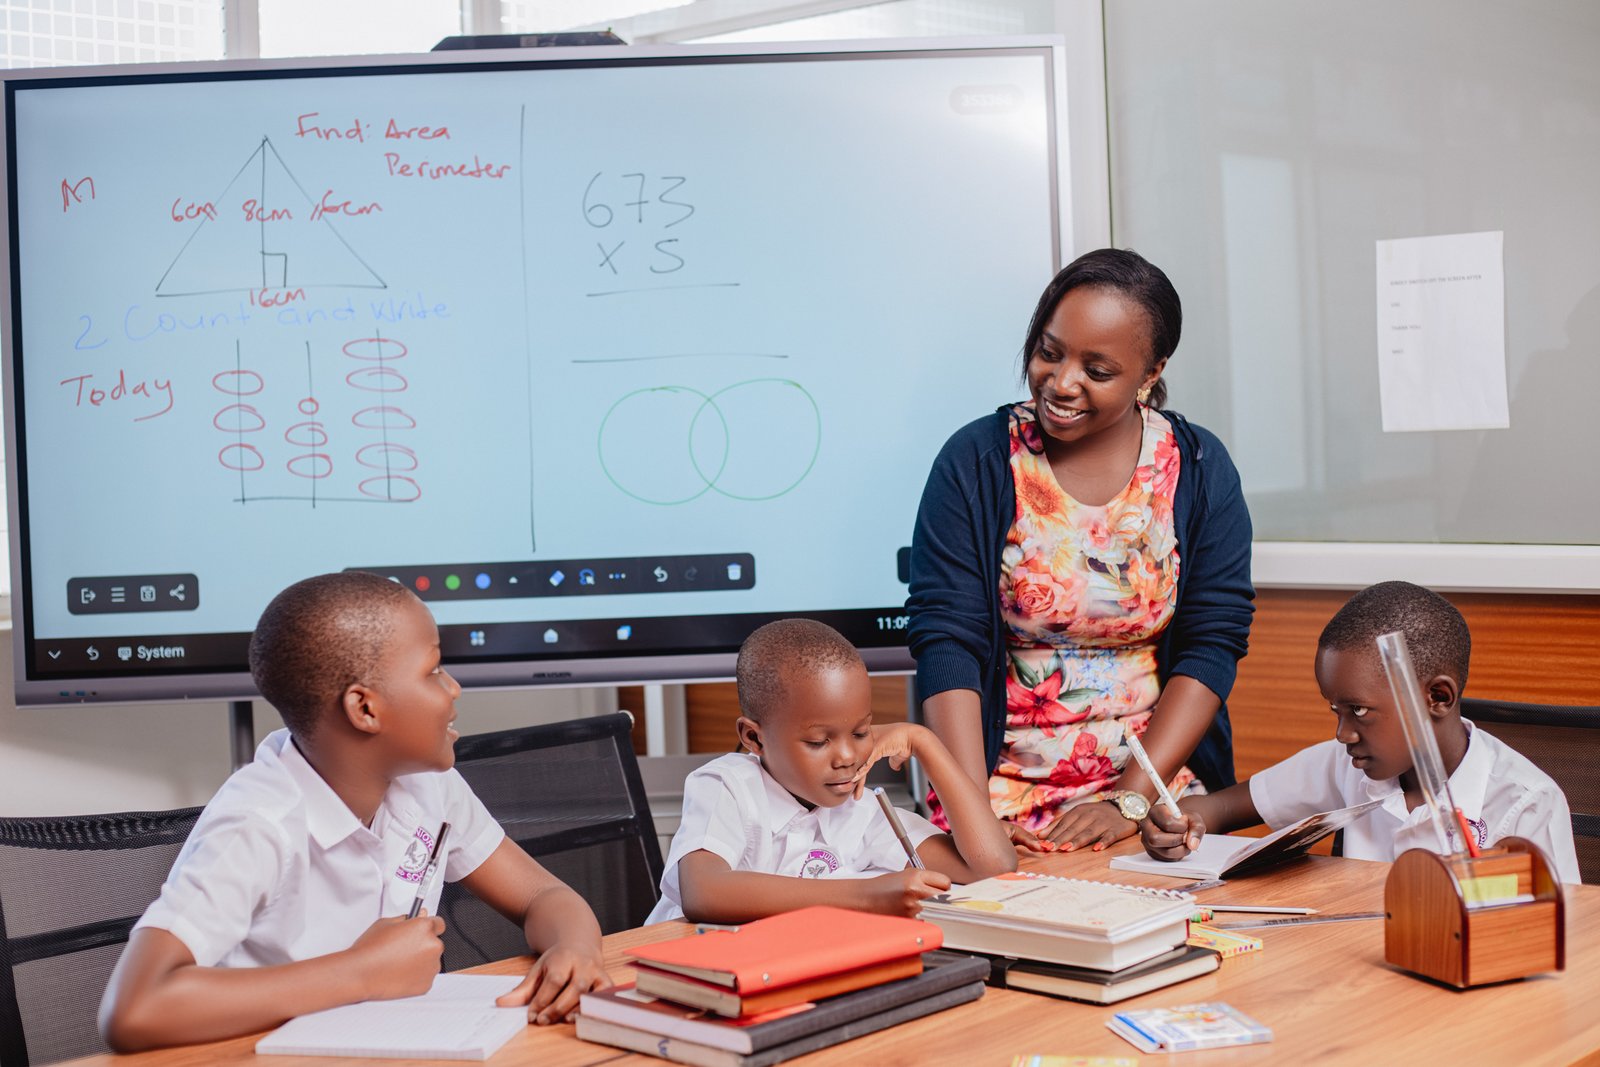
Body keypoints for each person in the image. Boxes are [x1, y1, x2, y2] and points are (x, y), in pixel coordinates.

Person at [98, 572, 611, 1052]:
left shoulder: (431, 786)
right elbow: (134, 1008)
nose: (453, 688)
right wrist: (361, 972)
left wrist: (577, 949)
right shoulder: (258, 822)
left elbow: (542, 895)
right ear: (364, 708)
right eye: (433, 670)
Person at [908, 248, 1254, 852]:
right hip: (997, 796)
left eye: (1097, 370)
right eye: (1049, 352)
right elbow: (948, 642)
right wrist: (973, 817)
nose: (1061, 382)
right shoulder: (978, 462)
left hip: (1153, 795)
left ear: (1150, 373)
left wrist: (1131, 798)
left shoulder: (1196, 469)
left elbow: (1212, 642)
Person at [1141, 581, 1581, 883]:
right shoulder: (1347, 765)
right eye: (1336, 710)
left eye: (1360, 711)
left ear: (1439, 698)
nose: (1343, 734)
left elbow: (1568, 938)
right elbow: (1215, 808)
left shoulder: (1525, 802)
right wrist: (1181, 824)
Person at [648, 619, 1017, 924]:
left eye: (860, 733)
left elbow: (991, 867)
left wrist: (924, 742)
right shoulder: (727, 785)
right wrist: (866, 895)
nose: (846, 757)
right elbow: (704, 892)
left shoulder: (860, 805)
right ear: (754, 738)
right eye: (818, 742)